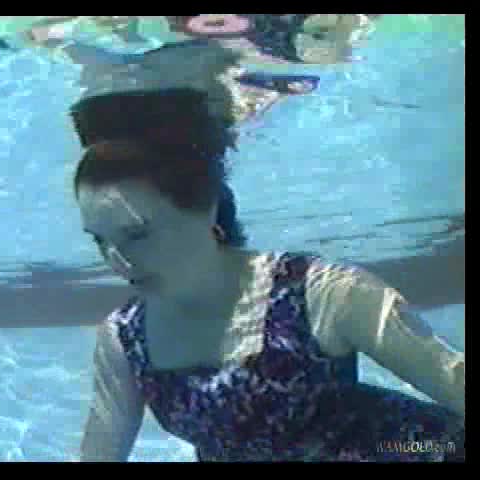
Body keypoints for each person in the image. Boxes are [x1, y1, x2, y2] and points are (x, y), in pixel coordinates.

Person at [69, 87, 464, 462]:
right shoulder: (125, 338)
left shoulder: (322, 294)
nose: (117, 261)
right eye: (100, 240)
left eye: (137, 234)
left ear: (205, 208)